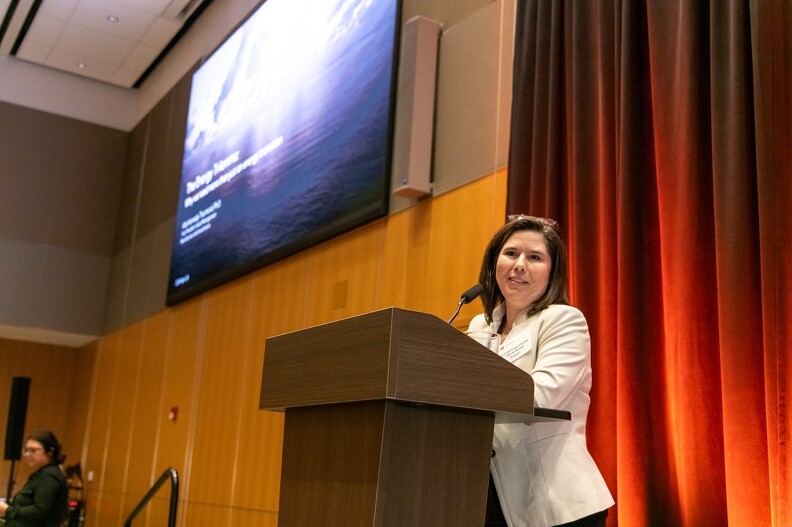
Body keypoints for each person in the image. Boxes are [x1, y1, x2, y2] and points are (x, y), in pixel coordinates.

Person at [468, 215, 614, 527]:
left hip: (556, 503)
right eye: (510, 253)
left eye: (534, 257)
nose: (519, 264)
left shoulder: (562, 320)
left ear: (552, 272)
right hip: (489, 499)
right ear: (495, 263)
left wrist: (470, 390)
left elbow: (541, 397)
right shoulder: (481, 325)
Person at [0, 430, 68, 527]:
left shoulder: (50, 476)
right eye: (26, 450)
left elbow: (39, 511)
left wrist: (7, 510)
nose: (27, 454)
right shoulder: (42, 473)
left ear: (50, 451)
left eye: (33, 450)